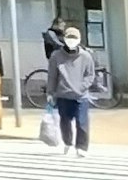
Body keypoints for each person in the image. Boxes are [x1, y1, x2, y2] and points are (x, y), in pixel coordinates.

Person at [45, 24, 110, 154]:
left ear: (79, 40)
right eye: (69, 37)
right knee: (65, 121)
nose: (71, 40)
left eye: (74, 38)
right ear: (64, 38)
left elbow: (90, 75)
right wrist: (50, 92)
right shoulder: (56, 56)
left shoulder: (86, 57)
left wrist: (81, 87)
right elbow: (52, 75)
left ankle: (81, 147)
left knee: (82, 122)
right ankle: (68, 142)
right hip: (63, 94)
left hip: (81, 96)